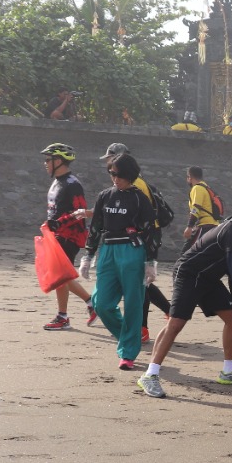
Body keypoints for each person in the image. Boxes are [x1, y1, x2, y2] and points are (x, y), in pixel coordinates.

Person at [136, 193, 232, 398]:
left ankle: (228, 371)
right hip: (189, 274)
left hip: (208, 279)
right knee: (176, 323)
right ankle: (150, 375)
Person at [82, 153, 153, 370]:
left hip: (133, 251)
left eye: (119, 175)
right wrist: (88, 255)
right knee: (101, 304)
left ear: (130, 175)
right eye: (112, 174)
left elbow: (151, 230)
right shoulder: (105, 196)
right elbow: (95, 227)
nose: (115, 179)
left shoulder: (140, 198)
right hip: (108, 251)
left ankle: (128, 353)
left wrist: (151, 262)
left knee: (133, 303)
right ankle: (128, 337)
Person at [100, 143, 170, 343]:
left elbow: (137, 215)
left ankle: (143, 328)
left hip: (142, 238)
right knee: (142, 284)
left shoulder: (134, 185)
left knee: (140, 285)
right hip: (138, 238)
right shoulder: (126, 183)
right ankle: (168, 312)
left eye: (110, 158)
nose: (107, 163)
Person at [39, 143, 97, 331]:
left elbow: (79, 212)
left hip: (69, 236)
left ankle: (63, 316)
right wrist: (51, 225)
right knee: (61, 276)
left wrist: (58, 223)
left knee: (60, 276)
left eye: (48, 159)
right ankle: (90, 304)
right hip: (57, 235)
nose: (45, 163)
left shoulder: (72, 184)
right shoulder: (58, 181)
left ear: (59, 161)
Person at [182, 166, 222, 252]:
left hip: (205, 226)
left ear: (190, 177)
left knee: (186, 254)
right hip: (213, 225)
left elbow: (196, 208)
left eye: (187, 177)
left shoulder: (197, 188)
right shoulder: (206, 187)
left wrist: (189, 227)